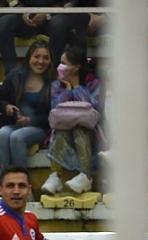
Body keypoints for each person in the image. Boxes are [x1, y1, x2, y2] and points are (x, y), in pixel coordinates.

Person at [0, 40, 53, 197]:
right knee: (2, 133)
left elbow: (53, 114)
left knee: (16, 137)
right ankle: (6, 186)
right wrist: (6, 107)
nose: (40, 61)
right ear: (29, 57)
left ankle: (24, 190)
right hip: (16, 123)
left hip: (41, 127)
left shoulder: (53, 81)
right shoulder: (15, 75)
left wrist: (31, 120)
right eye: (37, 56)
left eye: (45, 58)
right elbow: (1, 100)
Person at [42, 45, 103, 195]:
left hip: (90, 130)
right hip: (63, 128)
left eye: (65, 63)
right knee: (61, 131)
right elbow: (55, 108)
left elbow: (94, 106)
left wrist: (75, 87)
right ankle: (56, 176)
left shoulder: (93, 83)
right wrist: (67, 89)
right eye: (60, 62)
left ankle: (85, 176)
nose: (60, 66)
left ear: (76, 67)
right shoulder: (56, 85)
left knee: (79, 129)